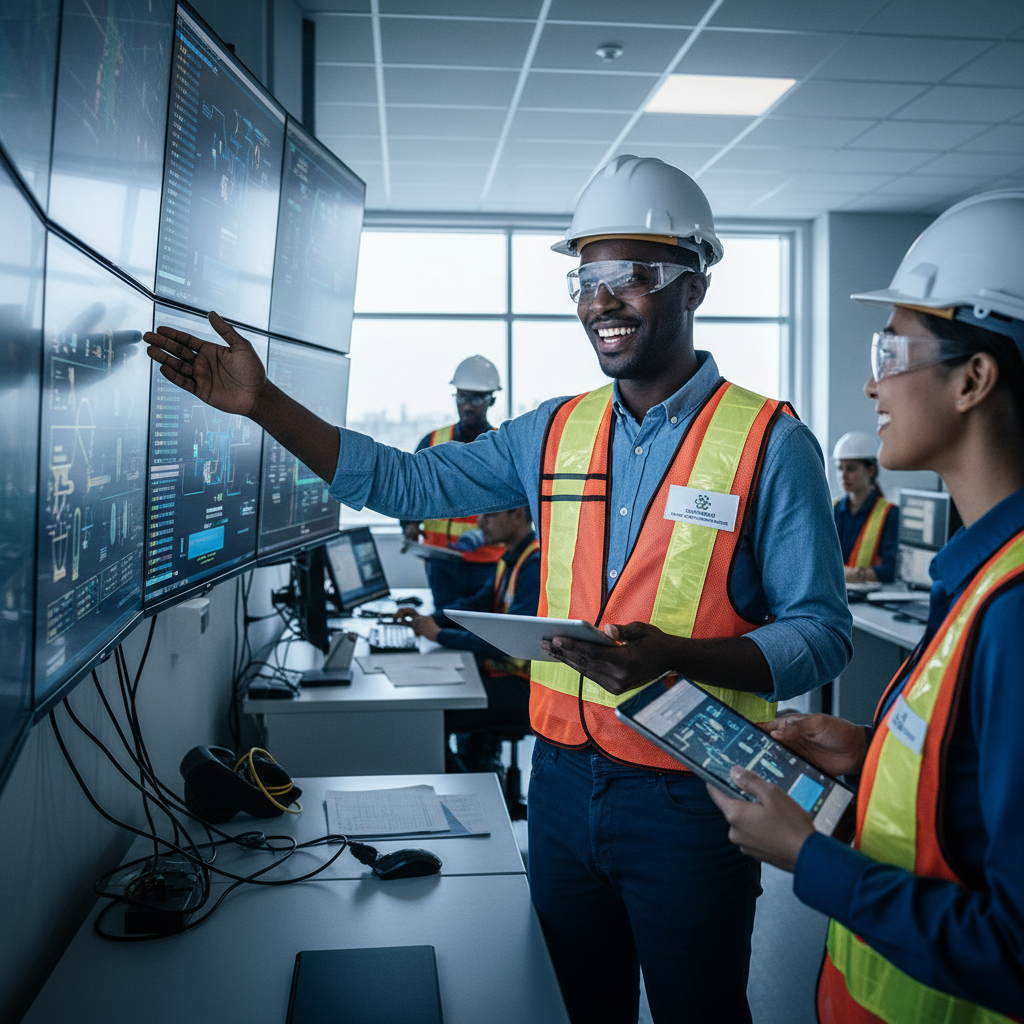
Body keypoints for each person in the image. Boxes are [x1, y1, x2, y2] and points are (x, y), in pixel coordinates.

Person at [143, 154, 852, 1024]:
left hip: (689, 793)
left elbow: (821, 633)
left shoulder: (770, 441)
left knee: (697, 1010)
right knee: (571, 1006)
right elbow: (402, 483)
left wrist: (678, 658)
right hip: (557, 782)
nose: (603, 299)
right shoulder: (552, 429)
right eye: (586, 277)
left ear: (694, 285)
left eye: (633, 275)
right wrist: (265, 404)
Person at [708, 190, 1024, 1023]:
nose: (870, 381)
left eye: (892, 351)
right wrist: (873, 750)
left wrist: (809, 856)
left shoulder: (1017, 612)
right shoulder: (985, 574)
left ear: (976, 379)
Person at [400, 505, 538, 779]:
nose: (480, 523)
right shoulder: (512, 555)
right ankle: (473, 775)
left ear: (519, 514)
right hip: (503, 671)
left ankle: (474, 789)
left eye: (489, 516)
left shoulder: (533, 565)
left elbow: (506, 644)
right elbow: (477, 605)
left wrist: (438, 634)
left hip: (526, 688)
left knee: (431, 720)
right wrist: (431, 620)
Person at [400, 356, 506, 611]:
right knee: (443, 632)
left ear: (491, 399)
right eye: (462, 397)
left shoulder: (502, 446)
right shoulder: (433, 441)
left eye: (477, 399)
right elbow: (409, 491)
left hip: (487, 562)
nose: (468, 406)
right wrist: (410, 524)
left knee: (483, 638)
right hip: (441, 563)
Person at [832, 430, 899, 583]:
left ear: (871, 470)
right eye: (840, 468)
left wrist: (851, 575)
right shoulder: (832, 509)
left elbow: (891, 569)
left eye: (851, 468)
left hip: (867, 598)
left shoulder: (889, 513)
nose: (843, 475)